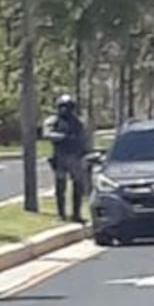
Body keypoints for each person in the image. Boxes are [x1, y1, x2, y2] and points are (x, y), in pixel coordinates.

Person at [47, 94, 89, 222]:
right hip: (60, 157)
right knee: (60, 187)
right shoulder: (53, 121)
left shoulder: (77, 122)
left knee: (78, 186)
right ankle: (61, 214)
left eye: (68, 107)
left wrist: (84, 151)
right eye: (62, 107)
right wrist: (63, 137)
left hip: (75, 157)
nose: (65, 110)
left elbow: (83, 138)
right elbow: (48, 134)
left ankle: (76, 214)